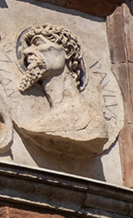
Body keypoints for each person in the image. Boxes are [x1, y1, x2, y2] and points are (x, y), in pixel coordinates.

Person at [12, 24, 108, 156]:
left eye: (38, 43)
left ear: (67, 51)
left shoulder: (92, 123)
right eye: (29, 46)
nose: (26, 52)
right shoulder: (34, 125)